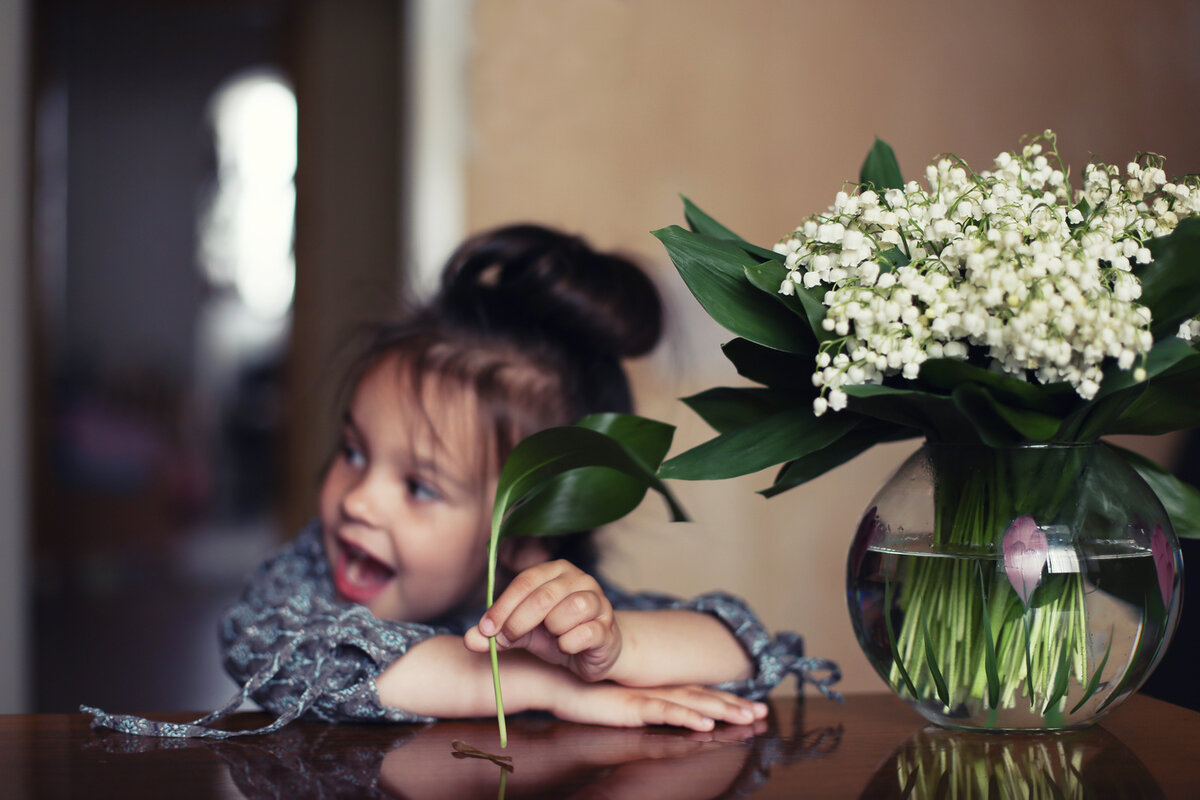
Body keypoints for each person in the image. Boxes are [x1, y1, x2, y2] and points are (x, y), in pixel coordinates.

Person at [83, 224, 840, 739]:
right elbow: (274, 651)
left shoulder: (542, 605)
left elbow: (744, 649)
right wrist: (550, 689)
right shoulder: (305, 581)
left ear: (523, 536)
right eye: (353, 452)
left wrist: (610, 654)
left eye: (418, 486)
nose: (358, 499)